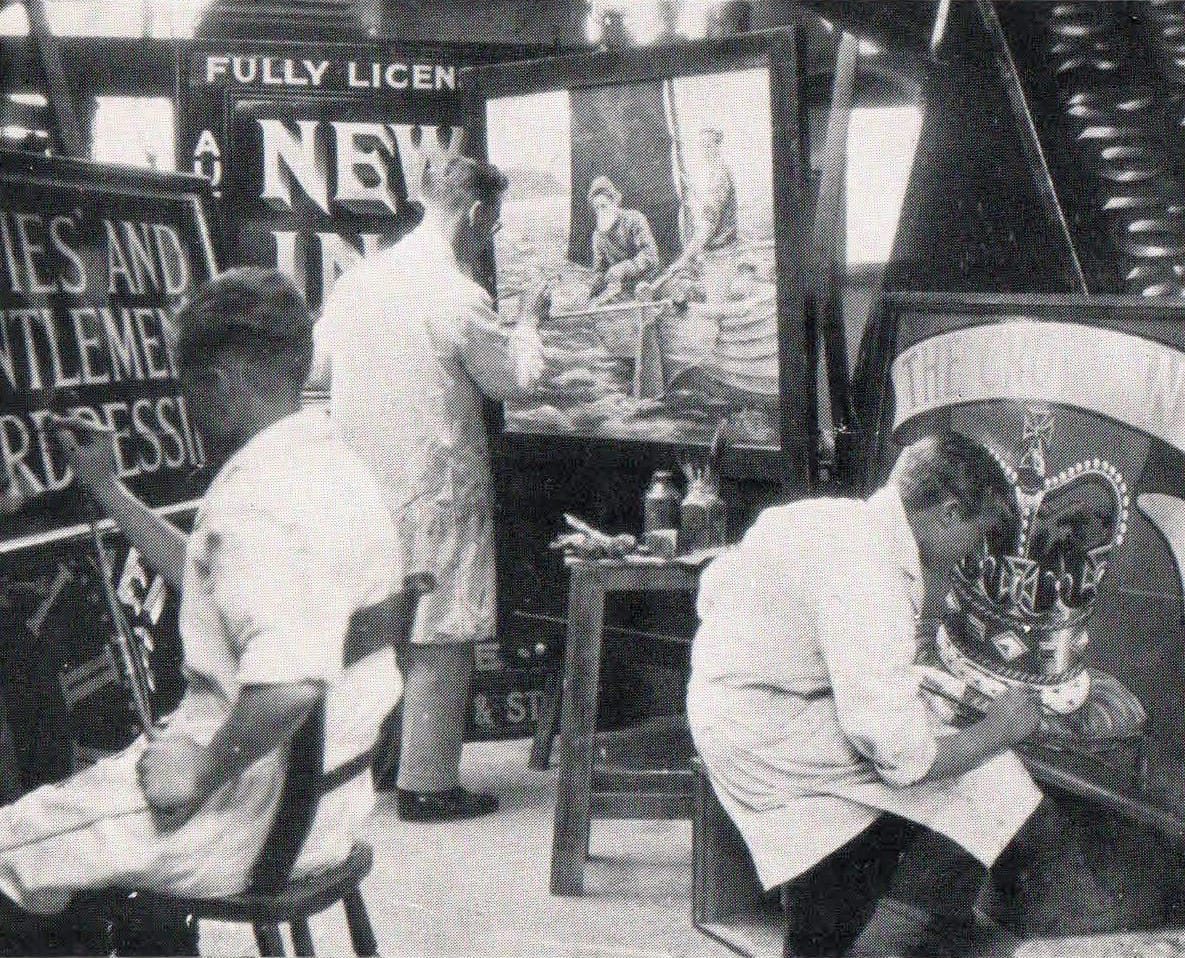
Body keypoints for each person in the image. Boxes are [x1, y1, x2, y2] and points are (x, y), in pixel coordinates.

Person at [0, 268, 401, 954]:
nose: (188, 405)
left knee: (10, 849)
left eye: (188, 386)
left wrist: (199, 774)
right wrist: (108, 489)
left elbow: (288, 688)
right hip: (325, 806)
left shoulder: (257, 502)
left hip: (243, 813)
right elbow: (217, 579)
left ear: (218, 382)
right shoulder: (334, 468)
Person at [687, 432, 1122, 957]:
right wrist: (1001, 729)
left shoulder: (827, 517)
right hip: (768, 733)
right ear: (949, 513)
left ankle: (885, 929)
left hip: (727, 703)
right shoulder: (869, 573)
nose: (973, 555)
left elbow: (715, 590)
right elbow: (902, 757)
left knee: (950, 784)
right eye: (978, 536)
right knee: (985, 783)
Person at [314, 156, 546, 822]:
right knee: (443, 628)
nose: (490, 237)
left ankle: (380, 763)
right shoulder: (458, 294)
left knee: (381, 622)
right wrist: (530, 322)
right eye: (492, 225)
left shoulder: (360, 281)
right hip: (436, 484)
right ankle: (428, 783)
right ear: (476, 214)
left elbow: (318, 367)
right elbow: (513, 382)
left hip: (363, 483)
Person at [670, 127, 739, 303]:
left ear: (717, 147)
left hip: (721, 256)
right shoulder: (713, 173)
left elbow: (708, 224)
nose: (704, 151)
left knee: (717, 306)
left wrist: (685, 258)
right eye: (701, 146)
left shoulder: (719, 176)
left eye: (708, 146)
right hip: (714, 254)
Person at [587, 175, 661, 299]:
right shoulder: (598, 235)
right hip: (622, 289)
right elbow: (600, 270)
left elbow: (650, 255)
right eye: (597, 208)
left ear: (614, 202)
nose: (600, 212)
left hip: (649, 282)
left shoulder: (634, 219)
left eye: (603, 206)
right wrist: (594, 287)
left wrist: (623, 268)